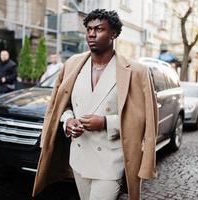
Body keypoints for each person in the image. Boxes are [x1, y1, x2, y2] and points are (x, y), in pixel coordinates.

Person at [32, 9, 158, 200]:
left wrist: (106, 122)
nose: (92, 34)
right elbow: (61, 105)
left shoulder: (136, 71)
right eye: (89, 29)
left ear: (113, 34)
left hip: (110, 160)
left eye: (99, 29)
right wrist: (68, 121)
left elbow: (145, 121)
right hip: (79, 157)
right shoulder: (73, 64)